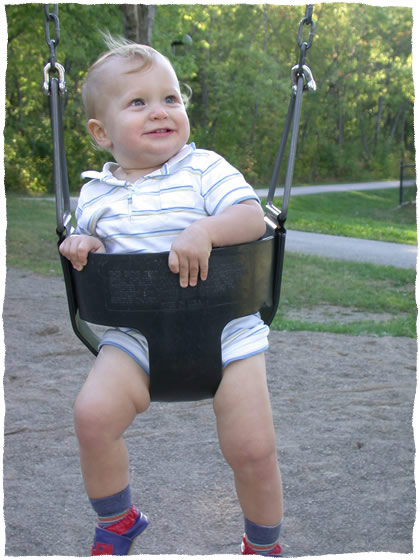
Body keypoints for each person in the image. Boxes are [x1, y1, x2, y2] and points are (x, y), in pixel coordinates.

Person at [59, 35, 284, 556]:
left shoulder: (204, 168)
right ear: (101, 131)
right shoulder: (96, 193)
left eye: (171, 98)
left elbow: (250, 217)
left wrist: (206, 230)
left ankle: (263, 544)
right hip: (137, 338)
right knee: (92, 417)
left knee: (253, 449)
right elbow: (85, 239)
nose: (160, 111)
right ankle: (118, 519)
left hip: (227, 334)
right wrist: (82, 241)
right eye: (138, 102)